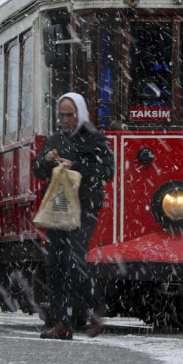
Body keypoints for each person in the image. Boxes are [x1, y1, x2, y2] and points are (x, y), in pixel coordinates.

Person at [32, 93, 114, 340]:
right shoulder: (54, 139)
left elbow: (107, 170)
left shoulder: (95, 138)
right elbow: (37, 170)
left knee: (75, 261)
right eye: (62, 115)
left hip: (84, 206)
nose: (66, 119)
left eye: (70, 114)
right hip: (58, 207)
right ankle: (61, 322)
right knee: (54, 264)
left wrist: (76, 166)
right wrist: (46, 159)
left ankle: (95, 307)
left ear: (80, 113)